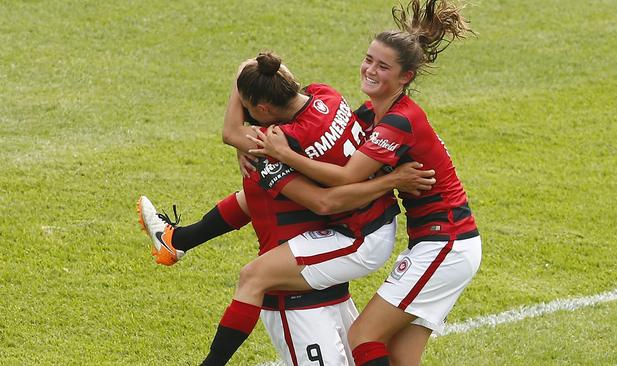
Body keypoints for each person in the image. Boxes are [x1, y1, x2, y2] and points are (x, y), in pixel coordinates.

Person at [138, 52, 435, 365]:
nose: (249, 120)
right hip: (374, 220)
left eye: (251, 111)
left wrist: (244, 137)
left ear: (264, 108)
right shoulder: (327, 94)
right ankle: (179, 240)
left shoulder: (285, 139)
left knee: (253, 274)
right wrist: (246, 141)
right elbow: (251, 69)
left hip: (361, 236)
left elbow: (232, 132)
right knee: (264, 183)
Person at [247, 1, 481, 365]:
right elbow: (330, 143)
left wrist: (284, 155)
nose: (370, 69)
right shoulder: (374, 112)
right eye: (368, 59)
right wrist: (251, 141)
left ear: (405, 78)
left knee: (364, 336)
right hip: (442, 243)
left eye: (382, 66)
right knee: (401, 355)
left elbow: (345, 176)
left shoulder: (399, 122)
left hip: (445, 243)